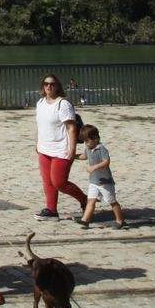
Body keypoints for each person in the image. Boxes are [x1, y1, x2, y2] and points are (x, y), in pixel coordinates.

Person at [34, 73, 86, 221]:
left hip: (61, 148)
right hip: (44, 148)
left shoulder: (63, 104)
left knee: (59, 182)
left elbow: (71, 128)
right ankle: (52, 211)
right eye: (46, 84)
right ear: (42, 86)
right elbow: (39, 125)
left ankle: (84, 200)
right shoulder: (40, 103)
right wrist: (37, 142)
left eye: (52, 84)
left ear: (58, 87)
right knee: (47, 181)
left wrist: (72, 149)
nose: (49, 86)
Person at [77, 124, 126, 229]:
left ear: (95, 138)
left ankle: (120, 220)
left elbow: (106, 162)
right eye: (84, 141)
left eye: (87, 141)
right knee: (91, 200)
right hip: (94, 181)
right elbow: (84, 156)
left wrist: (94, 167)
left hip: (105, 182)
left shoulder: (102, 149)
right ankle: (85, 220)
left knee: (112, 201)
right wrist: (74, 156)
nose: (86, 144)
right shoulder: (88, 149)